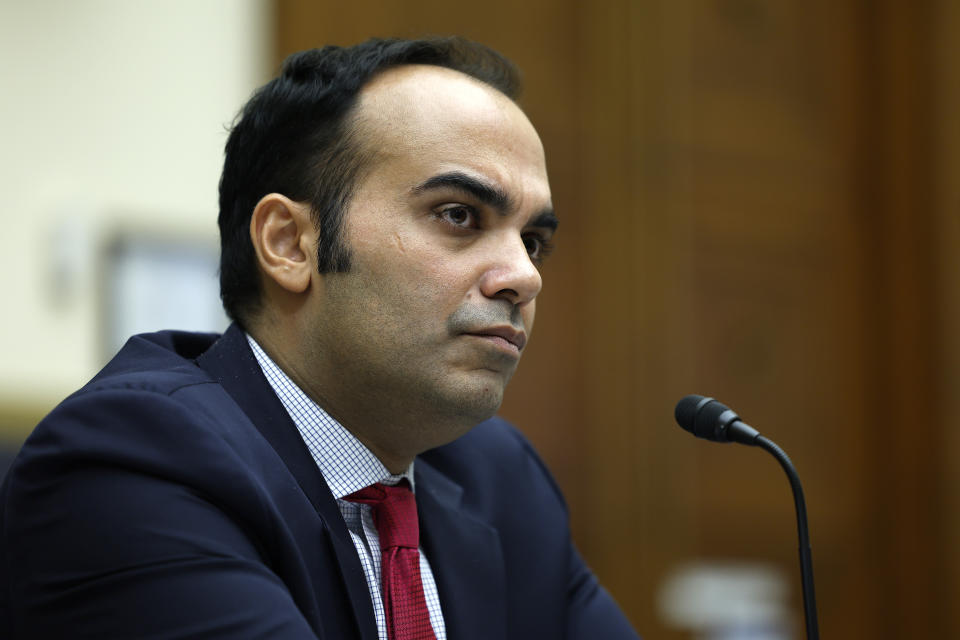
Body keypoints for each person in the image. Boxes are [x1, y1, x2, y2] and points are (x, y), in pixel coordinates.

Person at [0, 37, 640, 639]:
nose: (524, 277)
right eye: (458, 215)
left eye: (533, 242)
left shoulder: (499, 478)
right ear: (289, 244)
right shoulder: (131, 461)